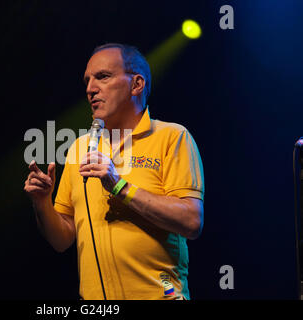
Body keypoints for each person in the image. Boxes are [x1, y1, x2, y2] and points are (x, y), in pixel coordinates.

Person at [24, 43, 204, 300]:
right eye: (87, 80)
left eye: (103, 77)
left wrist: (119, 186)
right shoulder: (79, 148)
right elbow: (62, 239)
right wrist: (42, 203)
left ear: (136, 84)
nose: (90, 89)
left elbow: (191, 222)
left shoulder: (172, 136)